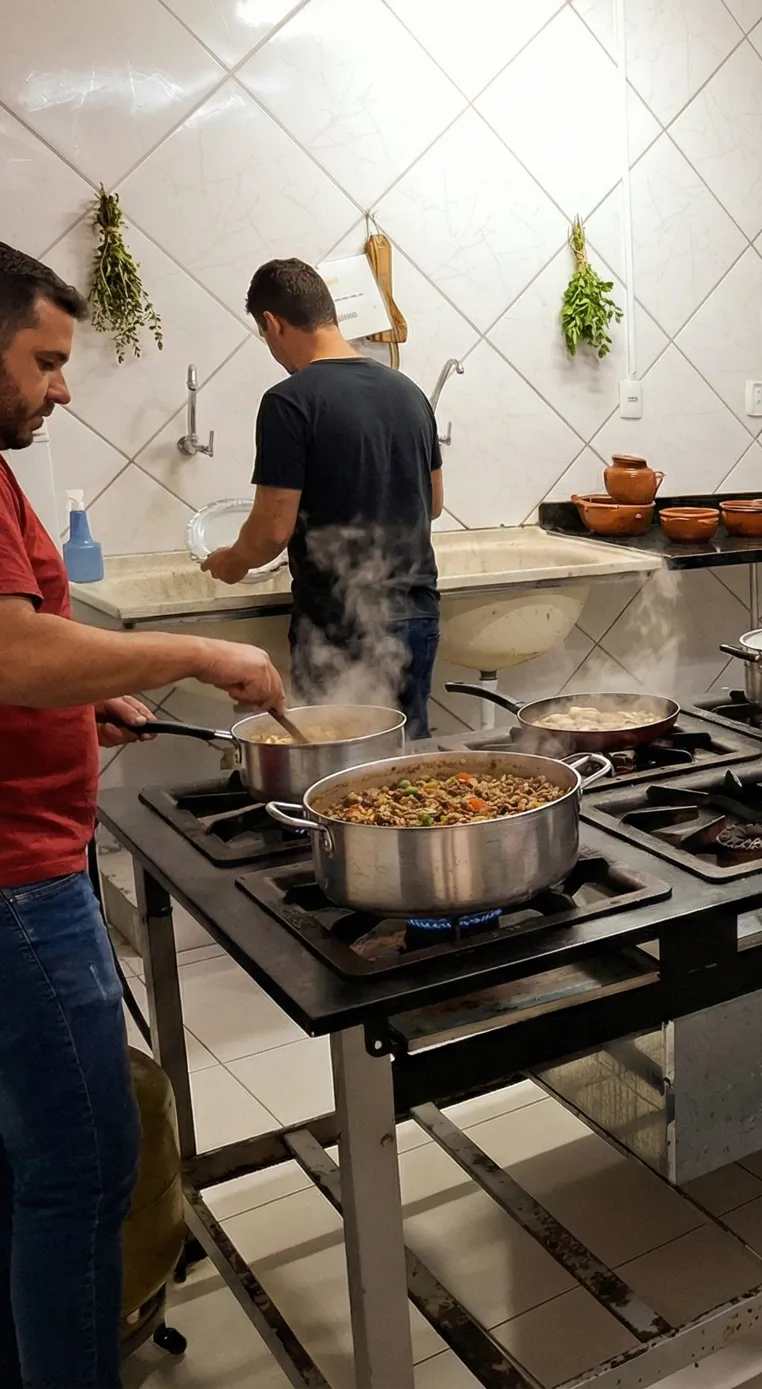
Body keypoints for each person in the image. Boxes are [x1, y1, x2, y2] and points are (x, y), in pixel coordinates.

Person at [0, 243, 283, 1387]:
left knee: (37, 1160)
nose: (63, 387)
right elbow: (13, 649)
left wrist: (92, 693)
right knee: (83, 1165)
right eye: (46, 360)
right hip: (17, 882)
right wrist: (203, 651)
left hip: (31, 858)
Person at [204, 258, 443, 738]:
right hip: (417, 612)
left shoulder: (289, 401)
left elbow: (272, 529)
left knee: (342, 768)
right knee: (408, 761)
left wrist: (232, 561)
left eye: (265, 335)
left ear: (273, 323)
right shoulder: (409, 393)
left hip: (341, 622)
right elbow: (433, 503)